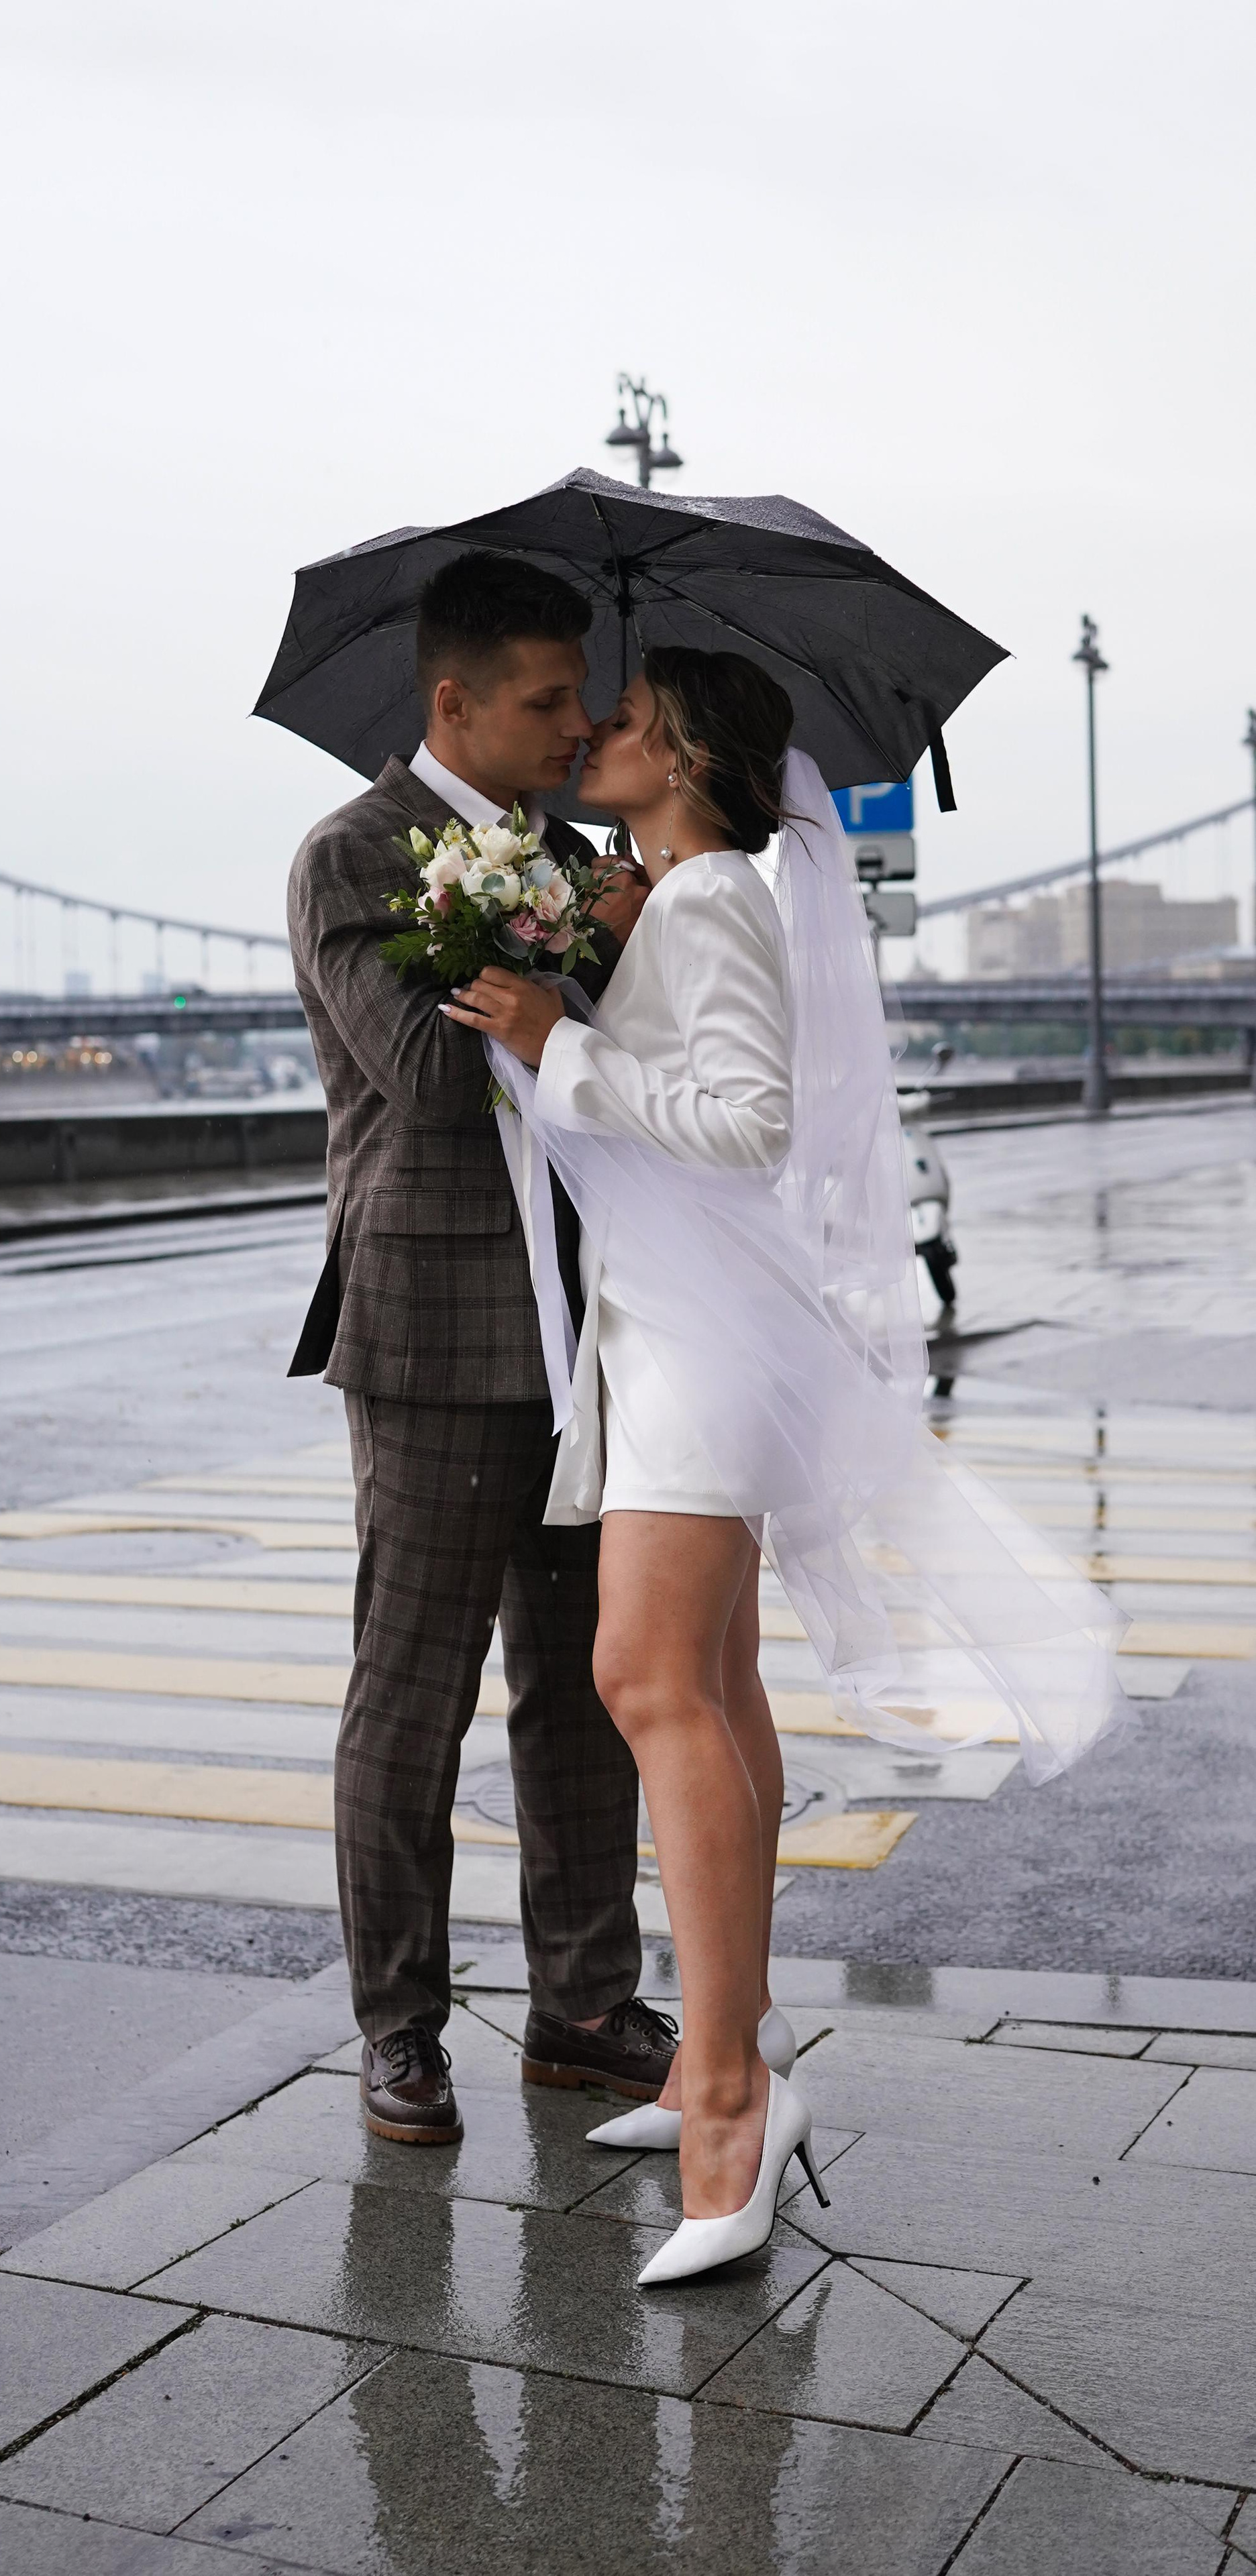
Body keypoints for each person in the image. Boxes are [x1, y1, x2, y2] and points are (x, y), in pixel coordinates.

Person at [446, 645, 1124, 2281]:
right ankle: (717, 2060)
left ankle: (732, 2108)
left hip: (700, 1349)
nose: (588, 735)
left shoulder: (714, 897)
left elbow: (747, 1121)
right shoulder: (674, 896)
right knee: (715, 1690)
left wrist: (555, 1034)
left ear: (677, 752)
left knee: (643, 1680)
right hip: (679, 1335)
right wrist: (592, 968)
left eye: (615, 719)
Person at [286, 550, 675, 2147]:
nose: (573, 724)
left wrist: (618, 926)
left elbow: (628, 1069)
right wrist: (565, 936)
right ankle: (400, 2027)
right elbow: (430, 1079)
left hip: (587, 1331)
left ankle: (582, 2010)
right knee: (412, 1696)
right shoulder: (350, 856)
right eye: (542, 700)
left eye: (580, 696)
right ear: (452, 702)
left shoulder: (581, 854)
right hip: (436, 1332)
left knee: (583, 1695)